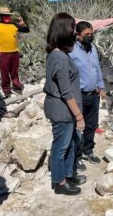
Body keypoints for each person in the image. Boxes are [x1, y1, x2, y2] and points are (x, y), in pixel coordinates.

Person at [43, 12, 86, 195]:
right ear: (63, 31)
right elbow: (66, 92)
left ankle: (68, 174)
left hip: (66, 110)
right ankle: (60, 183)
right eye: (72, 29)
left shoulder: (60, 54)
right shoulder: (59, 57)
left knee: (70, 143)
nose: (75, 34)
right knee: (61, 147)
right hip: (62, 111)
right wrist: (79, 116)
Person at [69, 21, 106, 170]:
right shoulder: (72, 52)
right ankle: (76, 156)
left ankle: (88, 150)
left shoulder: (93, 49)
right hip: (79, 96)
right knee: (78, 127)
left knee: (92, 125)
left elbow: (97, 69)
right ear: (78, 36)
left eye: (92, 34)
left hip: (94, 95)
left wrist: (101, 87)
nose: (90, 37)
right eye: (87, 34)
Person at [0, 7, 30, 98]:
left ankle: (17, 87)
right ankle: (6, 90)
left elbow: (27, 30)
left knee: (14, 72)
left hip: (15, 52)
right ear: (1, 16)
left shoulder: (14, 25)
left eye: (8, 15)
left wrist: (23, 24)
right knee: (4, 72)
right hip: (3, 53)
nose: (7, 17)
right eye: (5, 15)